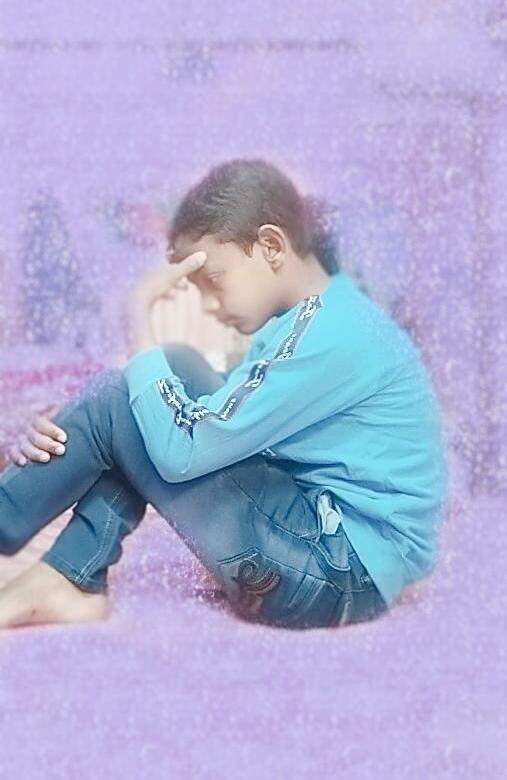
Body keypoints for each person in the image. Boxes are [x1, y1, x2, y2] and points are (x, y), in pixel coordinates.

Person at [0, 158, 448, 631]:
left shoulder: (326, 335)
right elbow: (190, 415)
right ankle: (70, 575)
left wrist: (138, 314)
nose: (211, 307)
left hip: (332, 576)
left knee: (128, 397)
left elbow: (181, 451)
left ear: (271, 246)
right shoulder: (326, 316)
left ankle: (32, 538)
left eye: (213, 282)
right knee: (170, 372)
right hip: (342, 566)